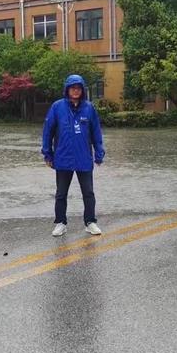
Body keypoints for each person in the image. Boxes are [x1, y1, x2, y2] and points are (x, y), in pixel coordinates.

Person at [42, 74, 105, 237]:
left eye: (78, 88)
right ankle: (60, 223)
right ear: (67, 89)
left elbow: (96, 132)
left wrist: (99, 153)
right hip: (63, 158)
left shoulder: (89, 108)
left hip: (84, 158)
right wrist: (47, 154)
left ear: (82, 90)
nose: (76, 90)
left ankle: (90, 222)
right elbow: (47, 131)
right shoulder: (57, 107)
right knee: (61, 193)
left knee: (88, 193)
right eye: (73, 88)